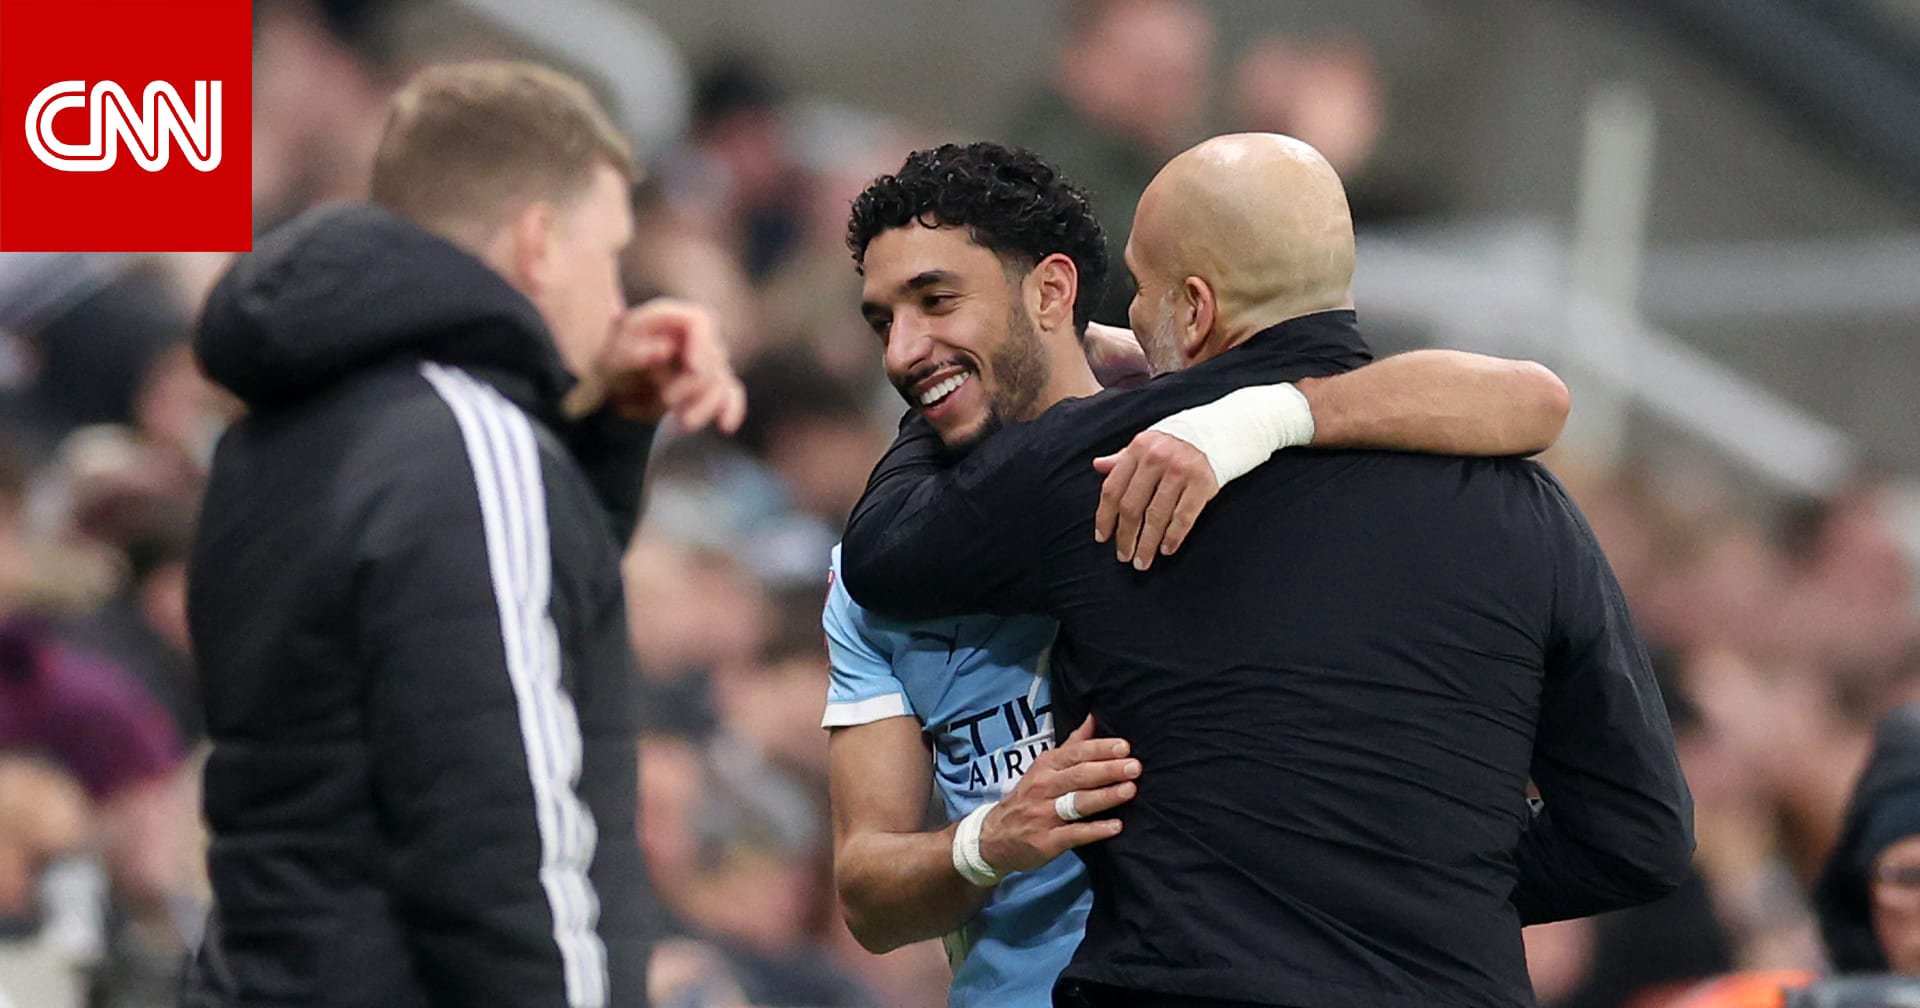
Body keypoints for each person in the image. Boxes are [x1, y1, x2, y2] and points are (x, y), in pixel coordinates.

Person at [838, 134, 1693, 1008]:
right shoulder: (1528, 504)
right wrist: (1436, 882)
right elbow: (1639, 838)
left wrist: (958, 375)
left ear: (1196, 310)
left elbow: (885, 556)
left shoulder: (1113, 467)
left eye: (1141, 293)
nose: (1128, 318)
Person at [185, 62, 745, 1008]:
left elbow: (503, 647)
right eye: (607, 254)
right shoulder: (467, 446)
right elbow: (506, 833)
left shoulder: (275, 436)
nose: (617, 301)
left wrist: (598, 433)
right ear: (537, 243)